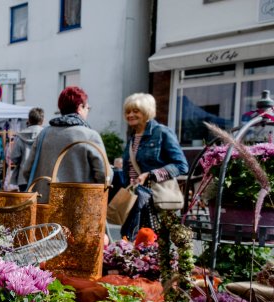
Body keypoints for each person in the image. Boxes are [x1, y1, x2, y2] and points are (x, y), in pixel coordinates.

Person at [23, 86, 110, 203]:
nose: (88, 111)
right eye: (87, 108)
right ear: (80, 107)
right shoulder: (90, 136)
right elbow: (105, 176)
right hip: (78, 207)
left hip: (44, 206)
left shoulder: (43, 134)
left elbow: (27, 170)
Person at [120, 92, 188, 239]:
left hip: (153, 200)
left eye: (135, 111)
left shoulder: (162, 133)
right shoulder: (132, 137)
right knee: (130, 242)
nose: (130, 114)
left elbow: (182, 165)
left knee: (151, 244)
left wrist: (150, 174)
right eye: (128, 111)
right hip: (134, 200)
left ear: (146, 111)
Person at [12, 107, 46, 191]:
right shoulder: (46, 135)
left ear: (29, 120)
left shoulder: (20, 136)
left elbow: (14, 157)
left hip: (23, 178)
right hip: (41, 177)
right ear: (42, 120)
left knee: (25, 203)